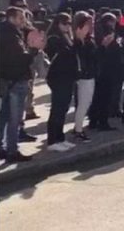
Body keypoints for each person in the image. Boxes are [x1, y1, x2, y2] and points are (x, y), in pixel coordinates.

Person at [0, 6, 45, 162]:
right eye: (20, 18)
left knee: (4, 116)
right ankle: (12, 151)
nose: (23, 21)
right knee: (14, 118)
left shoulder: (5, 31)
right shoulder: (10, 35)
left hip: (5, 80)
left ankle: (0, 148)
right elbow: (19, 59)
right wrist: (34, 49)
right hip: (16, 80)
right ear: (11, 18)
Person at [44, 13, 78, 152]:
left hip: (67, 76)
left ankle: (60, 137)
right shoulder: (54, 38)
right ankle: (52, 140)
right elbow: (62, 54)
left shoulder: (67, 37)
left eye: (69, 23)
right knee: (57, 109)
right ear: (57, 23)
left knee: (63, 108)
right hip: (58, 77)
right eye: (65, 23)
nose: (68, 26)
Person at [89, 23, 122, 131]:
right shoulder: (105, 45)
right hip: (105, 75)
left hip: (100, 75)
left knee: (97, 99)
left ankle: (93, 121)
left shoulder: (96, 42)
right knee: (104, 99)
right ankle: (102, 122)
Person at [72, 11, 97, 143]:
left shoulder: (88, 38)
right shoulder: (78, 40)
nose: (91, 25)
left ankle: (78, 127)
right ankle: (78, 130)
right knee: (83, 103)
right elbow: (83, 56)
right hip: (85, 75)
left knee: (85, 103)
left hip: (90, 73)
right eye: (89, 23)